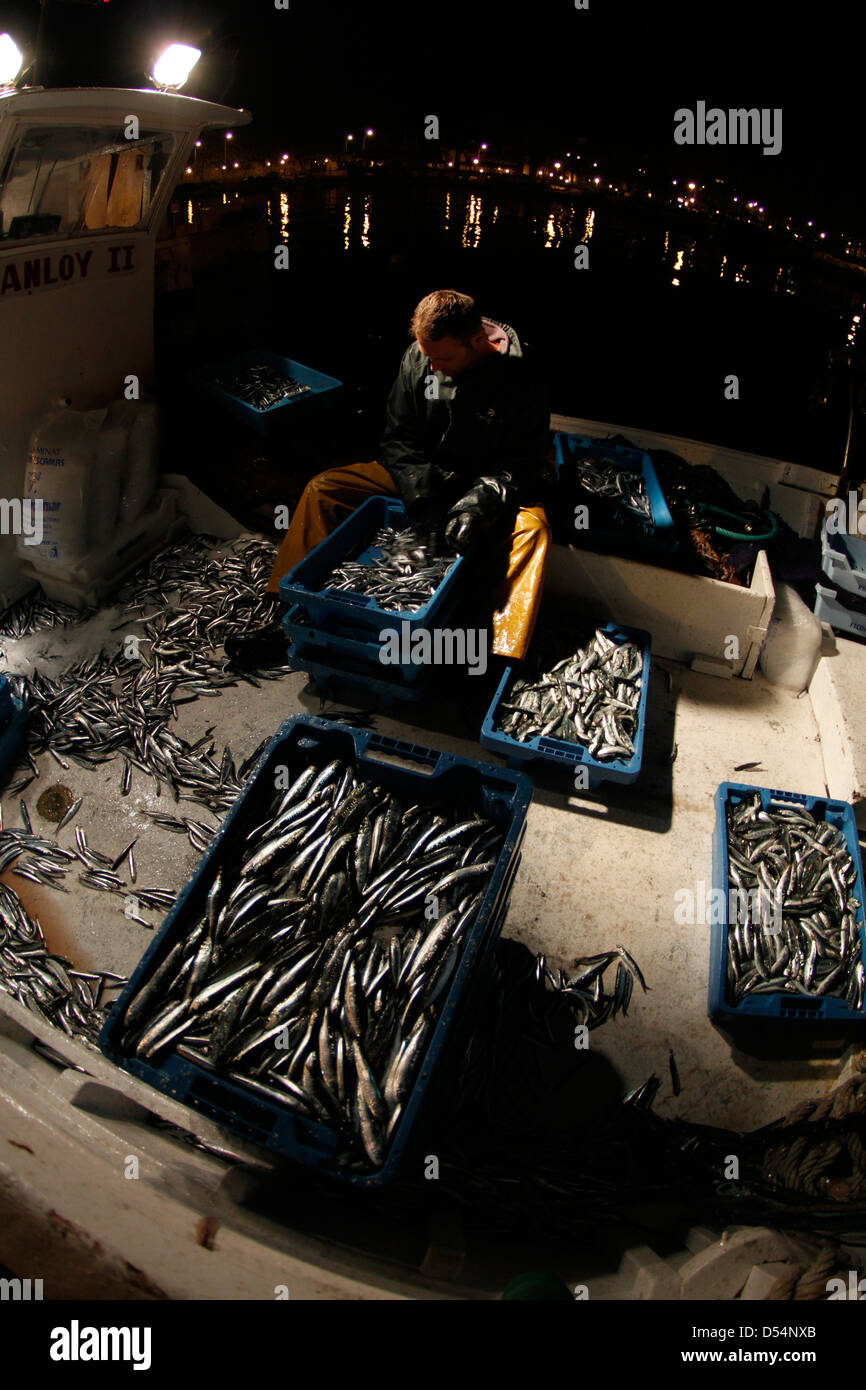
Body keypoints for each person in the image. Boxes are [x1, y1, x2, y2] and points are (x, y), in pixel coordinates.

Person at [225, 289, 551, 667]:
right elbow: (398, 440)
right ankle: (287, 614)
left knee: (535, 531)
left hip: (486, 484)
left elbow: (523, 463)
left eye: (443, 358)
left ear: (477, 341)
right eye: (426, 356)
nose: (432, 368)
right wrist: (426, 500)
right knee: (325, 489)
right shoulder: (420, 357)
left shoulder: (524, 376)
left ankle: (500, 655)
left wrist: (478, 503)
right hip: (423, 473)